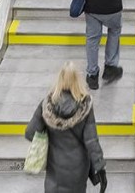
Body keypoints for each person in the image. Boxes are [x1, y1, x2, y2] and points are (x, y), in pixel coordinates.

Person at [25, 62, 108, 193]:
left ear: (60, 79)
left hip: (55, 166)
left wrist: (47, 129)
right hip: (78, 168)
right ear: (78, 80)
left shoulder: (47, 105)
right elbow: (92, 141)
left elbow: (29, 133)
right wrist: (100, 167)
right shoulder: (85, 106)